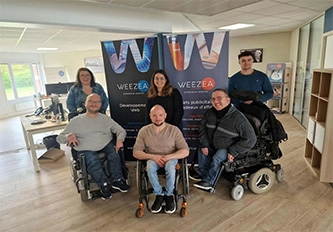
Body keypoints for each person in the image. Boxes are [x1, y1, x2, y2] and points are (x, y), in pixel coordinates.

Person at [57, 93, 129, 199]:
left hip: (105, 144)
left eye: (97, 102)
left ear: (101, 104)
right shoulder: (76, 121)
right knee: (92, 160)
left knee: (114, 155)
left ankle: (117, 180)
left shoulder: (105, 119)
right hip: (85, 147)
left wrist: (119, 140)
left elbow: (120, 130)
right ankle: (103, 184)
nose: (94, 104)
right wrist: (69, 136)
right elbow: (59, 138)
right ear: (85, 104)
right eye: (91, 101)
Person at [190, 89, 256, 191]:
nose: (216, 102)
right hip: (212, 144)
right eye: (213, 99)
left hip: (228, 147)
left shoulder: (238, 118)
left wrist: (233, 151)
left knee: (218, 157)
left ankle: (209, 181)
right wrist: (204, 144)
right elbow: (201, 127)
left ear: (228, 100)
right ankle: (203, 174)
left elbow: (251, 139)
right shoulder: (209, 113)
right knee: (201, 148)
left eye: (219, 98)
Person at [133, 105, 189, 214]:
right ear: (150, 116)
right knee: (149, 167)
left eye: (160, 115)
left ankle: (169, 195)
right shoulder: (144, 131)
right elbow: (136, 152)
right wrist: (153, 156)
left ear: (165, 116)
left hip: (170, 157)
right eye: (154, 115)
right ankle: (159, 194)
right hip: (152, 157)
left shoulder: (174, 130)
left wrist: (169, 157)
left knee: (170, 167)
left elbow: (185, 150)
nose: (158, 118)